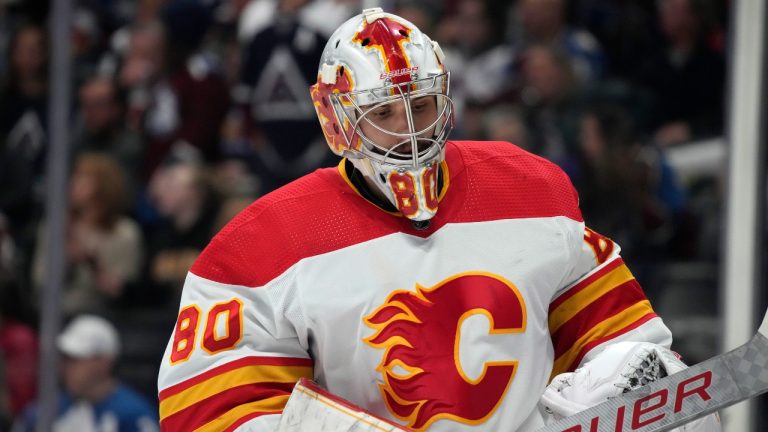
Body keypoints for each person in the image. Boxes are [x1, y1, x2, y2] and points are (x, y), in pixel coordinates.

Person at [157, 8, 720, 431]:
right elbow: (210, 414)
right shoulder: (261, 246)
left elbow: (615, 334)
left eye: (420, 106)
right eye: (382, 113)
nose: (409, 131)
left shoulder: (529, 187)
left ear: (446, 97)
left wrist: (640, 374)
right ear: (337, 118)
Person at [13, 315, 158, 432]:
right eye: (65, 359)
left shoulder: (133, 415)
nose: (66, 367)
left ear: (104, 362)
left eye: (75, 360)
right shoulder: (47, 410)